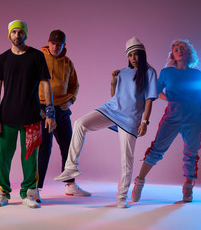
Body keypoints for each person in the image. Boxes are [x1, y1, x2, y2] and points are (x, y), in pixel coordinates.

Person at [55, 37, 158, 208]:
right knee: (80, 123)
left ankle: (121, 197)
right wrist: (112, 81)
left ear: (142, 54)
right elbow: (114, 96)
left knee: (127, 157)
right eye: (130, 55)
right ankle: (71, 167)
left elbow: (149, 99)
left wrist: (145, 121)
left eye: (136, 54)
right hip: (111, 110)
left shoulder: (149, 73)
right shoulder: (123, 72)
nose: (133, 58)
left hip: (131, 119)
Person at [131, 39, 201, 203]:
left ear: (189, 53)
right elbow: (155, 90)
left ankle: (188, 187)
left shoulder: (197, 74)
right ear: (173, 55)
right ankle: (139, 181)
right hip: (173, 114)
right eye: (176, 49)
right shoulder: (167, 72)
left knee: (191, 153)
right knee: (157, 149)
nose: (180, 50)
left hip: (193, 115)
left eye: (183, 48)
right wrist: (166, 97)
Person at [0, 20, 56, 208]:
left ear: (25, 34)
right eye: (14, 32)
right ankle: (2, 193)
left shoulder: (36, 56)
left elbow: (45, 84)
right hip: (6, 117)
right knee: (3, 158)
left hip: (32, 117)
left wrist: (50, 114)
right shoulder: (2, 58)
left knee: (30, 159)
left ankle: (29, 193)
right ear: (9, 35)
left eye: (21, 32)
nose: (17, 35)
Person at [37, 29, 90, 202]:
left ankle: (70, 184)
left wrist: (72, 100)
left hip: (61, 109)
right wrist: (38, 107)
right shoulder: (39, 59)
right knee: (44, 148)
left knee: (68, 146)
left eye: (59, 45)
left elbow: (75, 85)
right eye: (53, 44)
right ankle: (35, 188)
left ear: (64, 45)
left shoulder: (68, 63)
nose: (56, 47)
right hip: (44, 108)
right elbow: (30, 84)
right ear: (48, 42)